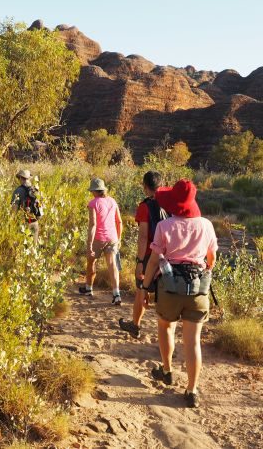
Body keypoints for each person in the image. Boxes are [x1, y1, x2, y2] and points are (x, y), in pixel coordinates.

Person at [141, 179, 217, 408]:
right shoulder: (206, 225)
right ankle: (192, 390)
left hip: (170, 288)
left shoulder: (165, 226)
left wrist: (145, 288)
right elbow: (211, 259)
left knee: (166, 326)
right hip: (198, 289)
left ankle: (167, 370)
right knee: (193, 341)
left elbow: (154, 261)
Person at [119, 171, 168, 338]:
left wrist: (140, 261)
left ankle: (135, 325)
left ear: (145, 187)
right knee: (165, 293)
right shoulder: (171, 204)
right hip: (169, 255)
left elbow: (143, 237)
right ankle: (166, 331)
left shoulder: (144, 206)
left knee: (142, 289)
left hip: (149, 254)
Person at [79, 178, 123, 305]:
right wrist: (118, 239)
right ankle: (116, 294)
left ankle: (88, 288)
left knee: (91, 260)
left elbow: (93, 224)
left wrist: (89, 244)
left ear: (94, 191)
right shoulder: (112, 201)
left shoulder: (93, 203)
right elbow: (119, 221)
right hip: (112, 238)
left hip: (99, 237)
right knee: (112, 265)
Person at [11, 169, 42, 243]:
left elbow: (14, 209)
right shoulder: (36, 190)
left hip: (23, 223)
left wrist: (12, 222)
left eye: (19, 178)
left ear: (21, 178)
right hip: (35, 223)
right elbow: (40, 207)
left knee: (23, 248)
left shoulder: (18, 191)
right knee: (33, 248)